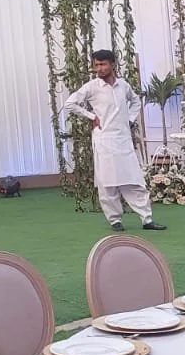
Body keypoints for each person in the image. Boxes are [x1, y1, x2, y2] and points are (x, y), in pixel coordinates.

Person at [62, 50, 165, 231]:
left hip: (123, 139)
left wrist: (130, 120)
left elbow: (135, 102)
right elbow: (70, 103)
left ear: (112, 65)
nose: (100, 69)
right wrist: (91, 116)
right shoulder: (92, 87)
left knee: (134, 180)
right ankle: (115, 220)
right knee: (107, 183)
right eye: (97, 65)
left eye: (103, 64)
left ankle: (147, 219)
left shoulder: (123, 85)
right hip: (104, 139)